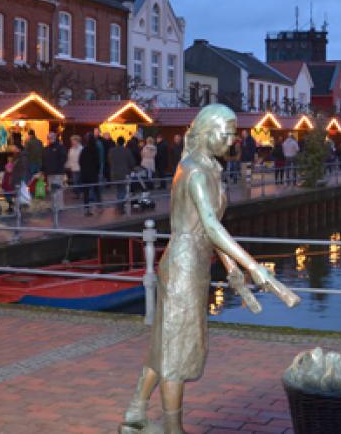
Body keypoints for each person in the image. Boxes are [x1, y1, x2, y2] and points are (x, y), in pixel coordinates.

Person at [120, 104, 300, 433]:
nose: (232, 141)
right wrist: (253, 266)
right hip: (184, 265)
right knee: (179, 349)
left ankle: (136, 410)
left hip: (194, 262)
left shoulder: (208, 168)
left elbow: (212, 230)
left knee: (166, 341)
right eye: (227, 134)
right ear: (206, 133)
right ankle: (173, 429)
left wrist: (233, 269)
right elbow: (211, 227)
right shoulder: (195, 171)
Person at [107, 136, 136, 213]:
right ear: (124, 142)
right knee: (123, 190)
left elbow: (109, 161)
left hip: (114, 173)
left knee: (118, 189)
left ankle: (119, 205)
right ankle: (120, 206)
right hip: (124, 173)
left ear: (117, 142)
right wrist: (132, 169)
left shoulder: (111, 150)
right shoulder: (127, 150)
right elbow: (132, 162)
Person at [42, 131, 68, 212]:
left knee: (58, 190)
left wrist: (59, 168)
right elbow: (44, 160)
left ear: (55, 138)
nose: (50, 139)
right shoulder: (47, 148)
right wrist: (43, 170)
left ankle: (59, 206)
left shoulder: (60, 147)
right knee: (51, 190)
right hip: (49, 173)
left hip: (57, 172)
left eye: (51, 138)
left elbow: (63, 158)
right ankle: (53, 206)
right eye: (48, 138)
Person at [79, 133, 102, 216]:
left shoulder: (84, 149)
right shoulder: (95, 149)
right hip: (93, 173)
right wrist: (97, 170)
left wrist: (83, 170)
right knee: (96, 190)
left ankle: (87, 209)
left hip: (85, 173)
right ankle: (99, 207)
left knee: (86, 192)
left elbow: (80, 161)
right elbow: (98, 162)